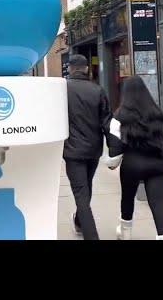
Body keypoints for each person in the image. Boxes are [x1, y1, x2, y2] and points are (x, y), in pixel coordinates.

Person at [103, 75, 163, 240]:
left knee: (127, 199)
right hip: (157, 164)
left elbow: (116, 149)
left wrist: (111, 163)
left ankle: (125, 233)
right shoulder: (156, 113)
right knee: (158, 203)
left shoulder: (119, 117)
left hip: (132, 165)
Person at [64, 54, 112, 240]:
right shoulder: (98, 90)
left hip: (72, 151)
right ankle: (79, 222)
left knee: (81, 193)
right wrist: (115, 149)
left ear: (70, 69)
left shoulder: (62, 90)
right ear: (86, 69)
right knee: (86, 188)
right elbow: (107, 121)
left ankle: (91, 235)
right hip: (93, 150)